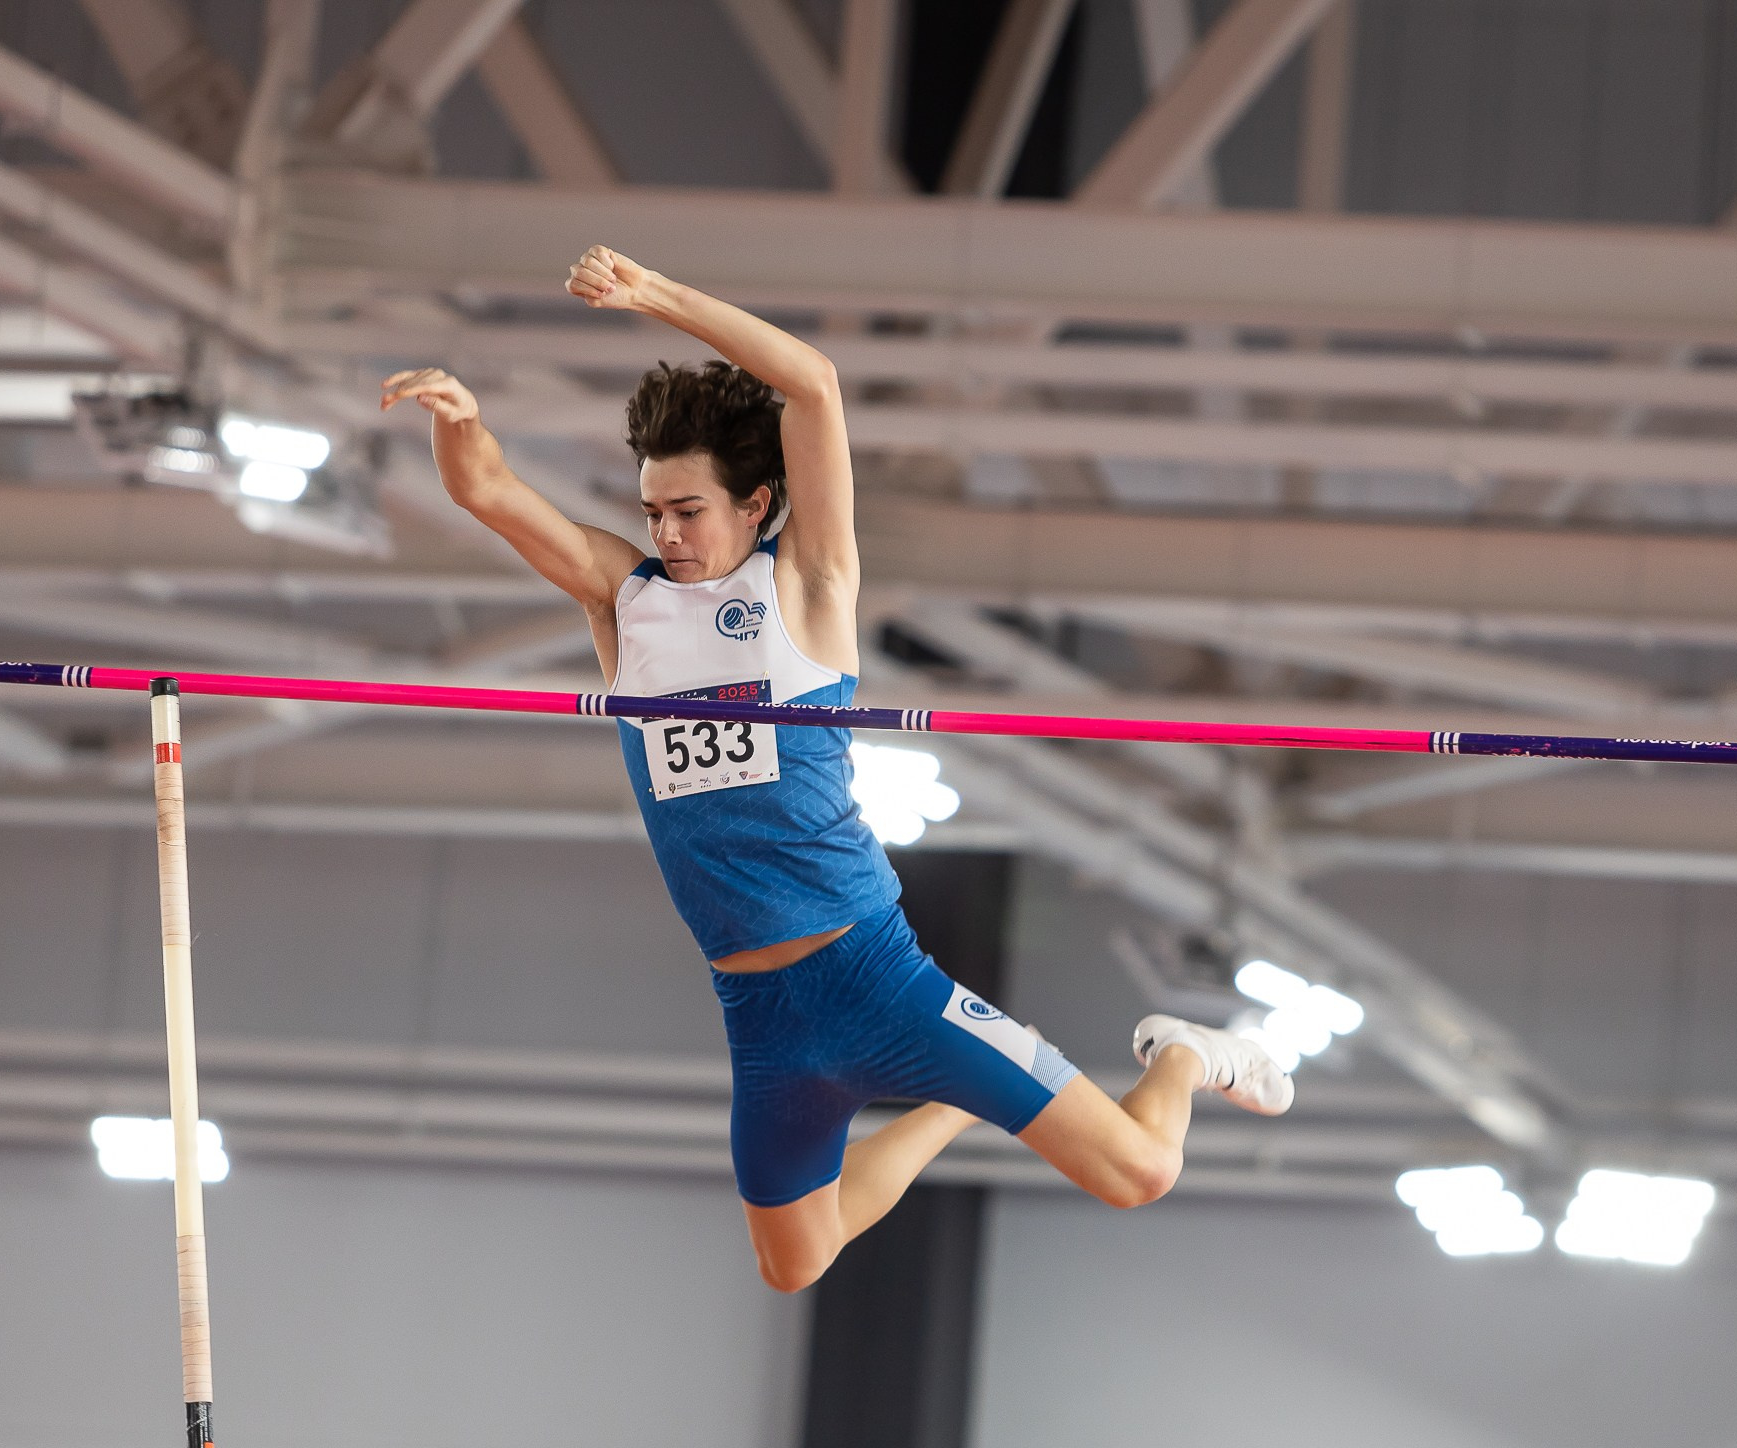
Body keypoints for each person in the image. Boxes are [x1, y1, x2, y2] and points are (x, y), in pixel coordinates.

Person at [380, 245, 1291, 1292]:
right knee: (794, 1263)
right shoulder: (618, 602)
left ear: (757, 502)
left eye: (689, 511)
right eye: (651, 514)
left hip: (872, 977)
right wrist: (458, 424)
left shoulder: (807, 586)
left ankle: (1182, 1051)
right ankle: (957, 1101)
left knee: (1140, 1170)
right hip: (758, 1017)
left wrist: (660, 297)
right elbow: (487, 488)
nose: (665, 536)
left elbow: (811, 382)